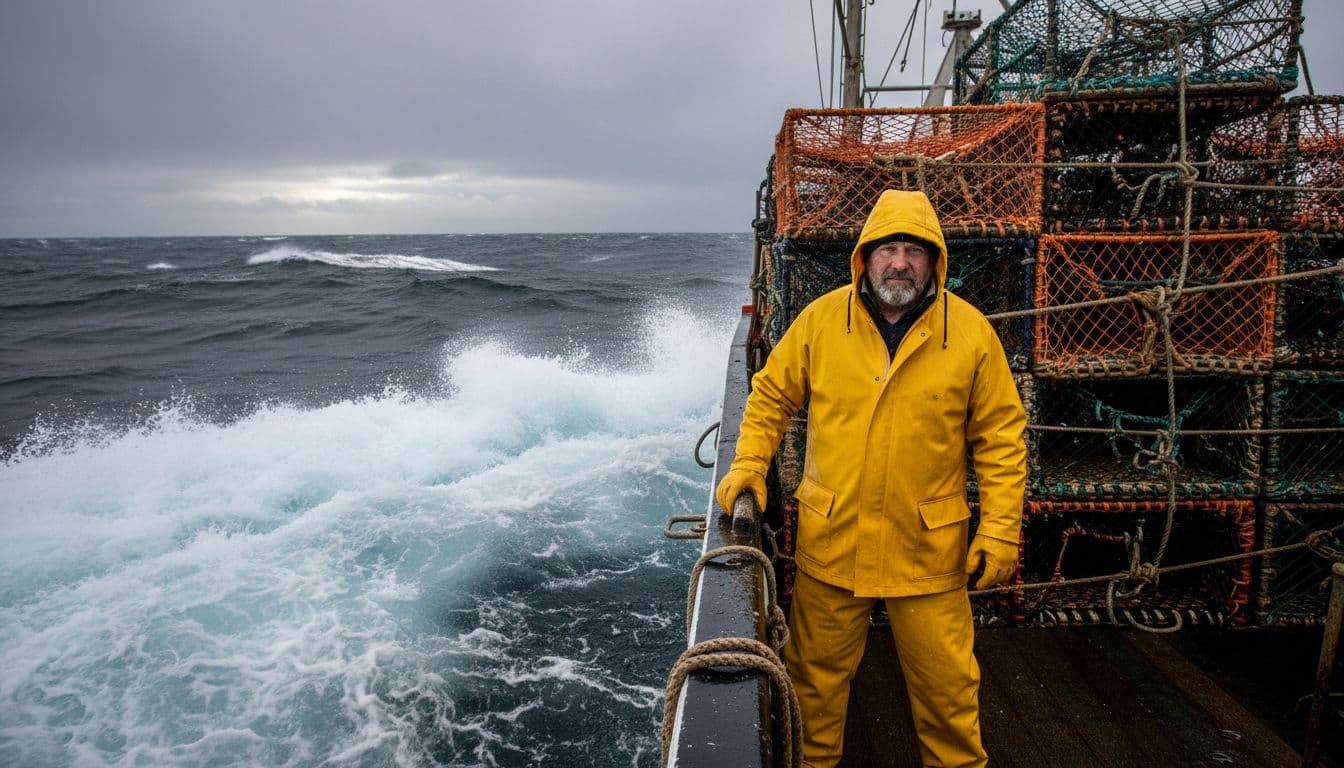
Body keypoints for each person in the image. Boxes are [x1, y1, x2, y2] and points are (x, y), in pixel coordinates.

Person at [716, 189, 1027, 768]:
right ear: (865, 256)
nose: (900, 263)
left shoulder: (970, 333)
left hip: (928, 552)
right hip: (834, 543)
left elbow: (1001, 438)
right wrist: (750, 465)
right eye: (888, 248)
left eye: (915, 249)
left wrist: (1000, 529)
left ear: (935, 261)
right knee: (813, 694)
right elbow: (770, 398)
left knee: (950, 699)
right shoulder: (821, 321)